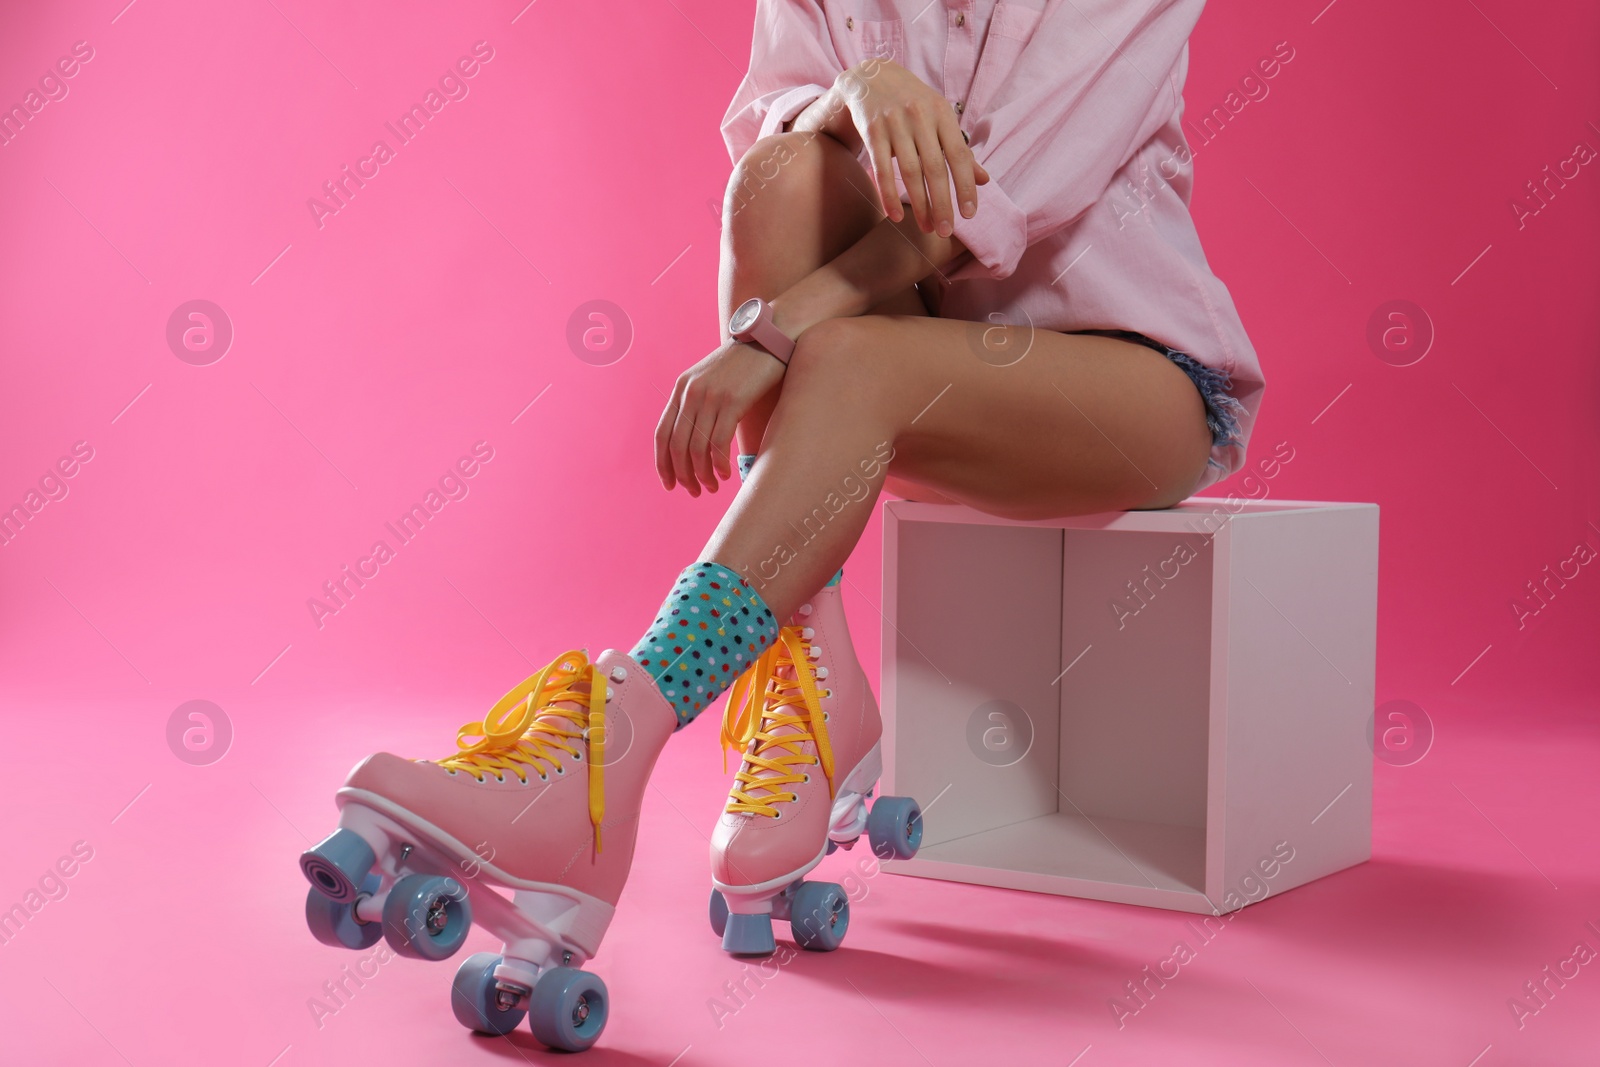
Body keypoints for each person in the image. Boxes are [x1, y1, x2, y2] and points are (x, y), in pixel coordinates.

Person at [299, 0, 1263, 1048]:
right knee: (778, 178)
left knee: (849, 356)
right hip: (908, 371)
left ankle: (614, 741)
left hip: (1127, 384)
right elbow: (770, 113)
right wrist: (858, 95)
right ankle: (809, 693)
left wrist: (771, 334)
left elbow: (985, 205)